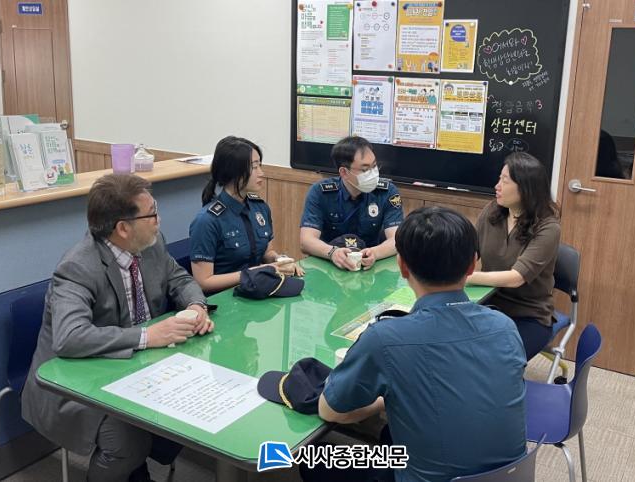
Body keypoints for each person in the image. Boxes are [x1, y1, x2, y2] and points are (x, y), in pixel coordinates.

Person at [21, 174, 213, 482]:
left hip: (137, 366)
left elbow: (180, 279)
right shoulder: (78, 266)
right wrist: (148, 336)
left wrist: (196, 306)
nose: (159, 220)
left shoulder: (150, 244)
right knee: (127, 442)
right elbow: (69, 338)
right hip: (77, 380)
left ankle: (138, 469)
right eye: (152, 214)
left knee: (195, 403)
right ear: (123, 228)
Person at [315, 207, 527, 481]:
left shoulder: (385, 339)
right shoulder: (505, 326)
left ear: (402, 266)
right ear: (472, 265)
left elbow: (330, 410)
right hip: (513, 476)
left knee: (319, 461)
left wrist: (383, 401)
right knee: (391, 435)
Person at [468, 152, 560, 360]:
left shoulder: (548, 227)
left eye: (505, 181)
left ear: (525, 188)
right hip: (487, 304)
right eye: (499, 178)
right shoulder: (493, 211)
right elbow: (469, 252)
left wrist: (465, 277)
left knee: (495, 360)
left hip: (528, 315)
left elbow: (516, 278)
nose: (497, 186)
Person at [189, 136, 303, 293]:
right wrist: (254, 272)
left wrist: (280, 261)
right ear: (233, 171)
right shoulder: (207, 221)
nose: (261, 173)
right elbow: (203, 282)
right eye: (254, 167)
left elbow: (267, 252)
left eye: (260, 165)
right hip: (225, 297)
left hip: (257, 289)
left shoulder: (260, 208)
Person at [300, 136, 404, 271]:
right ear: (344, 172)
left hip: (370, 265)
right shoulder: (320, 192)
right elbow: (306, 241)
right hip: (329, 264)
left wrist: (375, 253)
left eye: (374, 166)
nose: (373, 174)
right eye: (365, 169)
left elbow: (397, 240)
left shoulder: (387, 192)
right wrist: (332, 253)